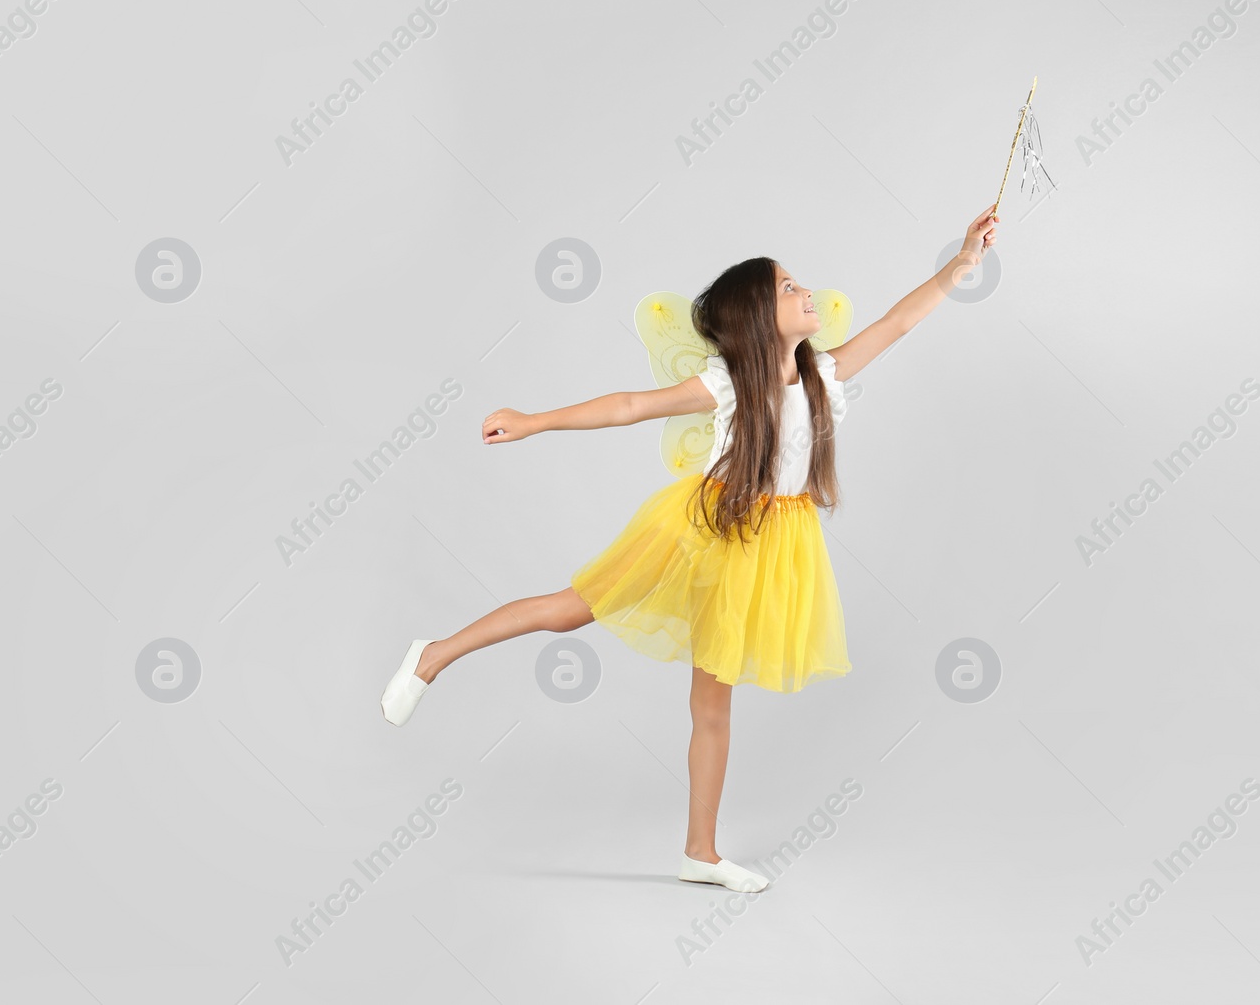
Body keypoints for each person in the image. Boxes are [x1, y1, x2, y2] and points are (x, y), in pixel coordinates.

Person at [381, 205, 1000, 892]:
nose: (806, 293)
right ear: (758, 318)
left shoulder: (824, 375)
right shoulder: (731, 380)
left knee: (712, 704)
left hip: (771, 547)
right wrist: (534, 422)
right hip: (708, 527)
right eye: (788, 288)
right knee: (572, 609)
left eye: (799, 283)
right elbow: (629, 405)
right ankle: (432, 655)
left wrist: (959, 263)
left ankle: (699, 851)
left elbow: (899, 321)